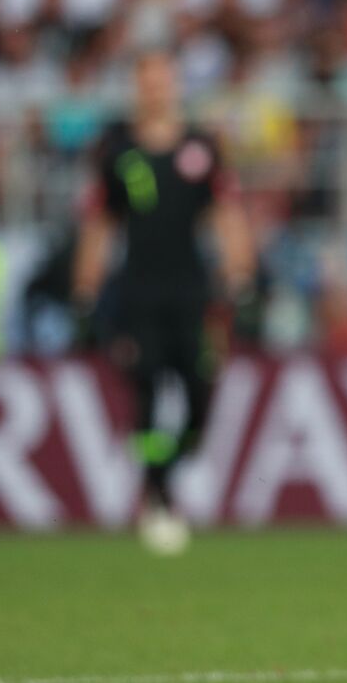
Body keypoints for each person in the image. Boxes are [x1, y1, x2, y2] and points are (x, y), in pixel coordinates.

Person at [73, 51, 255, 555]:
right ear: (137, 87)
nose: (155, 89)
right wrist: (85, 290)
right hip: (138, 292)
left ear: (175, 85)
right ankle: (158, 495)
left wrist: (240, 274)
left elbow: (226, 215)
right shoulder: (118, 152)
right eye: (146, 80)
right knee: (149, 390)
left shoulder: (202, 147)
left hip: (191, 291)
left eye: (162, 79)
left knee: (199, 394)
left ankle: (166, 473)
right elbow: (100, 224)